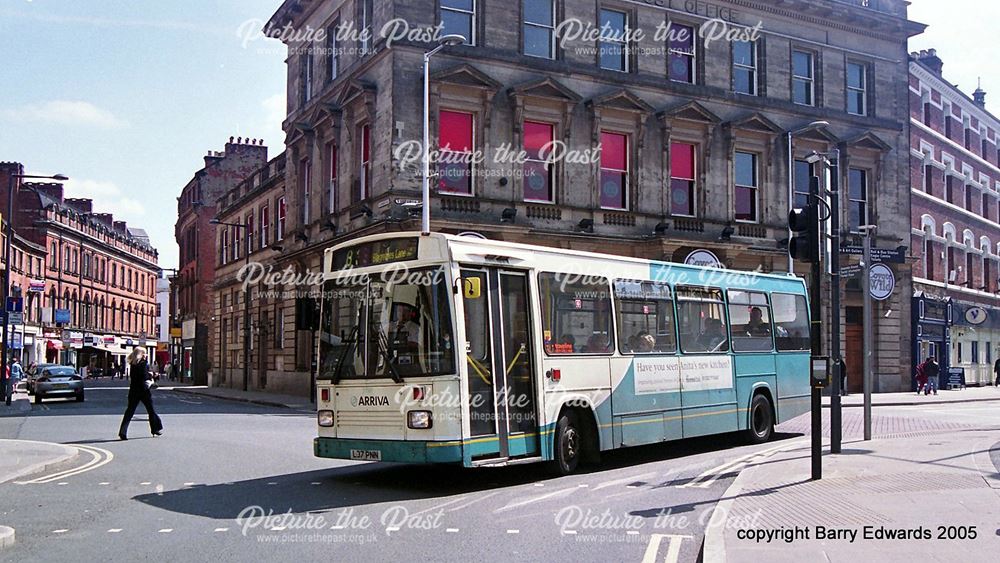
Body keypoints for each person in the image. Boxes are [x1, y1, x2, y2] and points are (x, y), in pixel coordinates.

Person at [118, 347, 163, 440]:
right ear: (142, 354)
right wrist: (152, 376)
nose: (146, 355)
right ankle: (155, 429)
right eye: (145, 353)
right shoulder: (144, 364)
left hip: (133, 390)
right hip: (143, 391)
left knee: (129, 411)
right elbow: (144, 376)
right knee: (151, 410)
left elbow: (136, 376)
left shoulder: (132, 364)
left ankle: (123, 432)